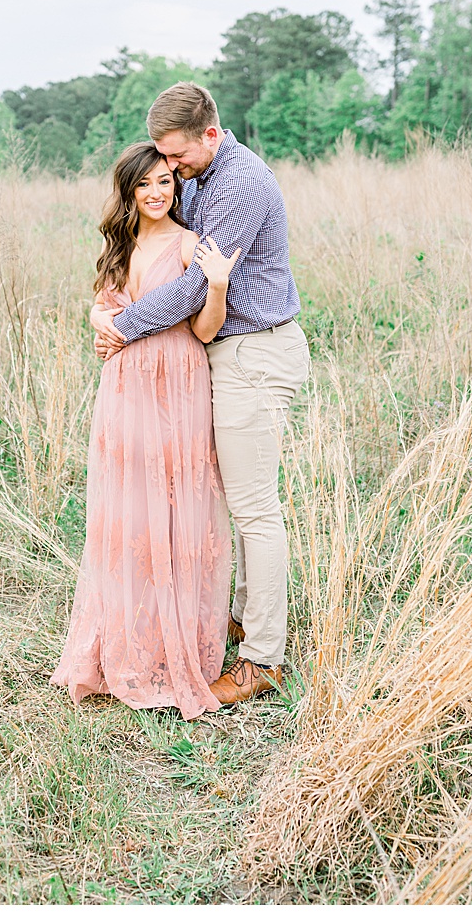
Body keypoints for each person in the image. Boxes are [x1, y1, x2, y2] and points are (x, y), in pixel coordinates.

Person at [90, 83, 311, 706]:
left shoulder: (241, 182)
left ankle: (262, 660)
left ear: (210, 135)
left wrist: (122, 329)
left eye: (178, 156)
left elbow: (194, 289)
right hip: (216, 354)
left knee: (254, 508)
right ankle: (238, 620)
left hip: (254, 351)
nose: (173, 170)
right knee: (226, 499)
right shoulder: (201, 173)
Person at [52, 143, 241, 719]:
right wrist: (99, 319)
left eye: (166, 181)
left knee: (178, 502)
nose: (158, 193)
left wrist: (215, 286)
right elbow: (102, 303)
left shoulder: (190, 244)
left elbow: (207, 332)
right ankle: (129, 637)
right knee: (129, 507)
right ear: (129, 193)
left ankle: (177, 636)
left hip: (178, 383)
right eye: (146, 185)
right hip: (126, 387)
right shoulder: (122, 247)